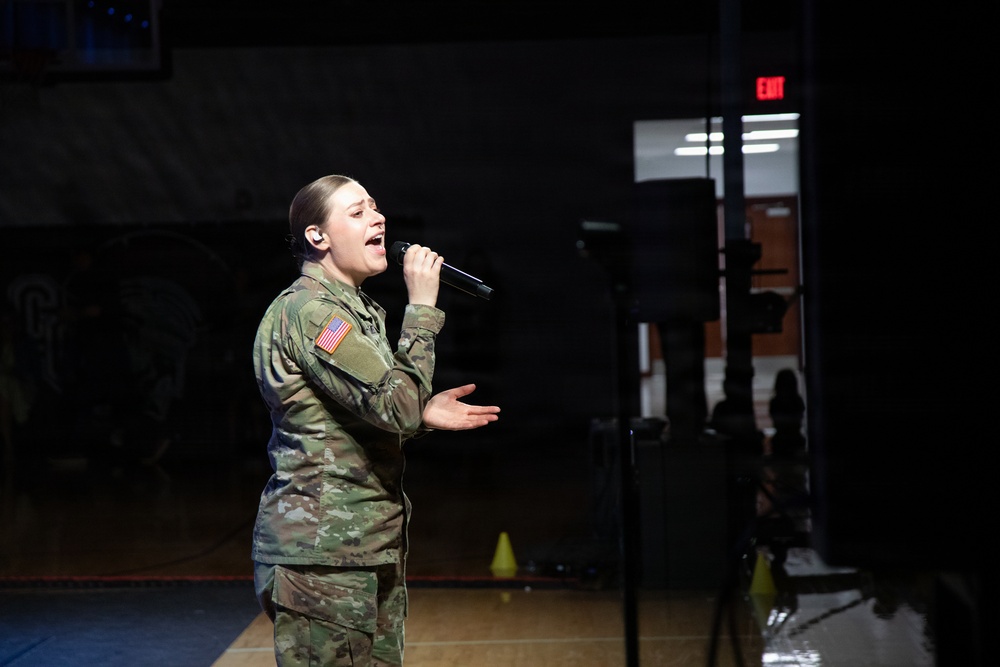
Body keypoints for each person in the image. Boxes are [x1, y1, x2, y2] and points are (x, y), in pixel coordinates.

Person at [251, 174, 501, 666]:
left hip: (363, 546)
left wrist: (420, 415)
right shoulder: (315, 313)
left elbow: (378, 412)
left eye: (376, 208)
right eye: (358, 211)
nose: (378, 218)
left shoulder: (353, 310)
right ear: (317, 237)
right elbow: (395, 406)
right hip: (325, 557)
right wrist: (423, 308)